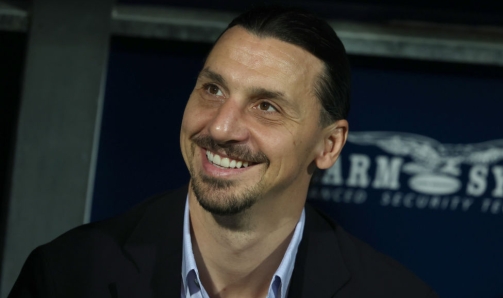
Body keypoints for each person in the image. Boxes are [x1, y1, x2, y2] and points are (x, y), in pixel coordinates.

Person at [9, 6, 438, 298]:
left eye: (266, 106)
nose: (220, 127)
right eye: (212, 89)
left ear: (328, 145)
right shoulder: (67, 276)